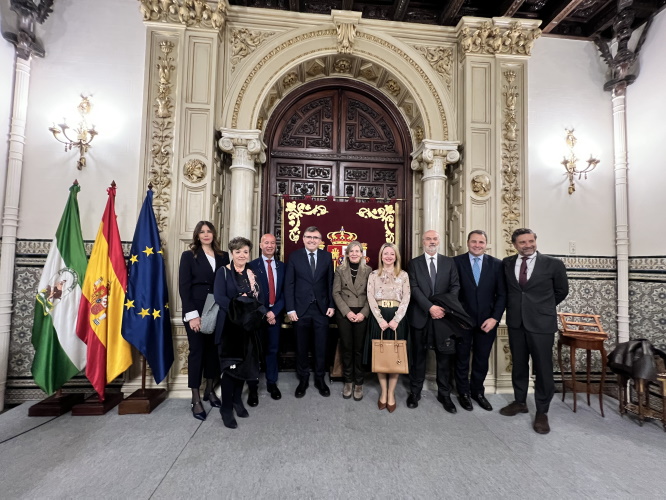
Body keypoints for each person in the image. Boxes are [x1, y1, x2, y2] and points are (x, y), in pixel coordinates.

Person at [500, 228, 569, 434]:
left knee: (542, 367)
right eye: (522, 242)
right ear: (514, 244)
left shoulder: (553, 264)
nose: (528, 245)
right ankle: (520, 402)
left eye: (531, 241)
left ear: (535, 241)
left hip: (541, 325)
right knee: (519, 364)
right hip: (516, 323)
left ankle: (542, 411)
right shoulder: (507, 263)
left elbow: (561, 291)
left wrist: (542, 308)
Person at [178, 221, 229, 421]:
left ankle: (209, 389)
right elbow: (184, 287)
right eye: (202, 231)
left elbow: (225, 283)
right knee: (197, 352)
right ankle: (195, 397)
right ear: (197, 235)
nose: (206, 234)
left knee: (213, 351)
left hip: (216, 309)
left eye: (209, 231)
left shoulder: (223, 256)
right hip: (197, 310)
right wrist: (192, 315)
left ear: (214, 234)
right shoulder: (189, 256)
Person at [214, 236, 267, 429]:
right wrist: (241, 305)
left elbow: (258, 297)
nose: (242, 255)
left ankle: (237, 401)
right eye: (238, 252)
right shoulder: (223, 272)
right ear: (232, 253)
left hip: (248, 328)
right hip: (230, 328)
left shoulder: (252, 273)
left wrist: (249, 306)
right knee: (230, 370)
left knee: (244, 368)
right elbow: (220, 297)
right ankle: (226, 409)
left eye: (245, 251)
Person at [406, 230, 461, 414]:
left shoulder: (449, 262)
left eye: (434, 239)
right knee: (418, 357)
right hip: (421, 316)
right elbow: (413, 287)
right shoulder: (414, 263)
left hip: (444, 318)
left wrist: (443, 307)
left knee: (444, 358)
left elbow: (455, 286)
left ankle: (444, 394)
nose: (431, 241)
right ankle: (415, 392)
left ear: (439, 241)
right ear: (422, 242)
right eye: (428, 239)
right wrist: (430, 307)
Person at [453, 230, 506, 412]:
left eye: (481, 242)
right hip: (462, 322)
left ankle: (477, 392)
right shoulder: (456, 263)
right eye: (474, 241)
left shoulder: (497, 265)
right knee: (461, 359)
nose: (477, 245)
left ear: (486, 244)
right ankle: (463, 393)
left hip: (487, 322)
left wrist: (495, 318)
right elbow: (452, 293)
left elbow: (502, 295)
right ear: (467, 242)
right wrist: (458, 316)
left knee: (481, 359)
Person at [284, 226, 335, 398]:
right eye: (308, 237)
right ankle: (303, 379)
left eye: (315, 237)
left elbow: (331, 283)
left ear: (320, 240)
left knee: (321, 347)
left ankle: (320, 379)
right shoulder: (294, 256)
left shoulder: (327, 257)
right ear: (303, 238)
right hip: (300, 310)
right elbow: (289, 284)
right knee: (301, 346)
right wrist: (290, 308)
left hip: (321, 310)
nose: (312, 240)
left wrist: (331, 305)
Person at [365, 243, 410, 413]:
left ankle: (391, 393)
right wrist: (380, 320)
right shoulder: (374, 275)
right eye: (386, 254)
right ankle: (383, 392)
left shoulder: (404, 275)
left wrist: (397, 319)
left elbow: (406, 298)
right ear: (381, 256)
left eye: (392, 254)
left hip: (398, 319)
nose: (389, 257)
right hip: (379, 319)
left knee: (395, 356)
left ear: (396, 256)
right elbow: (370, 297)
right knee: (382, 355)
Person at [247, 234, 285, 406]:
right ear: (260, 244)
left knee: (273, 350)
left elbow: (285, 293)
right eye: (266, 242)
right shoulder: (251, 266)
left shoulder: (282, 267)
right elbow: (250, 293)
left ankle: (272, 383)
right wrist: (264, 312)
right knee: (254, 352)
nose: (270, 245)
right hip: (257, 316)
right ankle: (253, 387)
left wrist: (274, 312)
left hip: (274, 317)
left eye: (273, 243)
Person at [332, 240, 371, 401]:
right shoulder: (340, 270)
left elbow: (372, 294)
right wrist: (347, 312)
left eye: (357, 251)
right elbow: (336, 293)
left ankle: (359, 383)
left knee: (359, 349)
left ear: (362, 254)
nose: (354, 254)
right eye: (351, 251)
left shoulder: (369, 270)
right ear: (346, 254)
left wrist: (363, 313)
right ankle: (348, 381)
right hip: (345, 313)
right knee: (347, 348)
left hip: (362, 312)